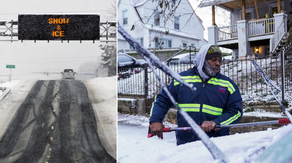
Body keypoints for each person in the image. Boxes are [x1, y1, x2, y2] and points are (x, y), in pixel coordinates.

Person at [149, 44, 242, 145]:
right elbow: (163, 99)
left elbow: (235, 112)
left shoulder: (227, 84)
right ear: (202, 60)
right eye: (213, 59)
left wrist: (216, 122)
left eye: (220, 60)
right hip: (186, 143)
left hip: (217, 142)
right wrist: (155, 120)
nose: (218, 63)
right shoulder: (181, 79)